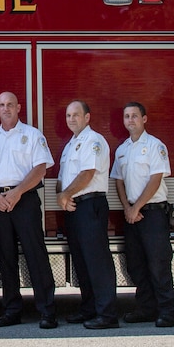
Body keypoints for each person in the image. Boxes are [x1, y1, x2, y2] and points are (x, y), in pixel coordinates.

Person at [0, 92, 58, 330]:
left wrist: (18, 192)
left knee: (36, 255)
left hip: (25, 200)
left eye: (10, 104)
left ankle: (47, 311)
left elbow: (40, 168)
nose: (6, 108)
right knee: (6, 257)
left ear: (18, 107)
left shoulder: (32, 135)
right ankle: (12, 310)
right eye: (1, 105)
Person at [110, 101, 174, 328]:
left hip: (153, 214)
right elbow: (118, 181)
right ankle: (146, 308)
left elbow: (155, 179)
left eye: (135, 116)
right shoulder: (122, 150)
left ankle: (167, 311)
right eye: (127, 116)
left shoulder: (155, 146)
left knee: (158, 264)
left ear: (144, 119)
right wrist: (128, 208)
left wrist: (136, 207)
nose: (130, 120)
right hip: (132, 214)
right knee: (136, 265)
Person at [57, 100, 118, 329]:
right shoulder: (71, 145)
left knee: (97, 261)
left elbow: (88, 172)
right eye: (68, 115)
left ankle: (107, 314)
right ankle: (89, 308)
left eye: (76, 115)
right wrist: (62, 196)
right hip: (74, 207)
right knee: (82, 262)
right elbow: (64, 177)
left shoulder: (94, 141)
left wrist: (66, 194)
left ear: (87, 117)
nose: (71, 119)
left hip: (91, 205)